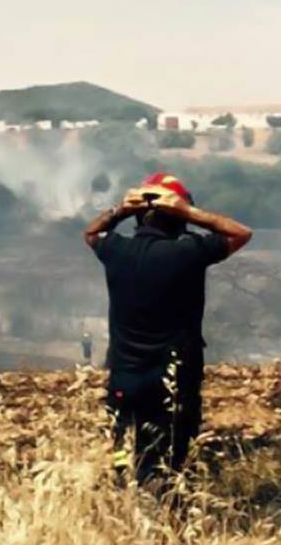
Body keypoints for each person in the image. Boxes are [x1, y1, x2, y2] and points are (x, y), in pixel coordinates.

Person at [83, 172, 253, 487]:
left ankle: (125, 517)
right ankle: (164, 523)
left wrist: (121, 210)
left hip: (125, 378)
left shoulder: (116, 250)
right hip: (173, 380)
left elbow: (91, 234)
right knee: (169, 464)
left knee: (124, 461)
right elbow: (241, 233)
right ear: (176, 218)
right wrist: (190, 212)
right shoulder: (186, 253)